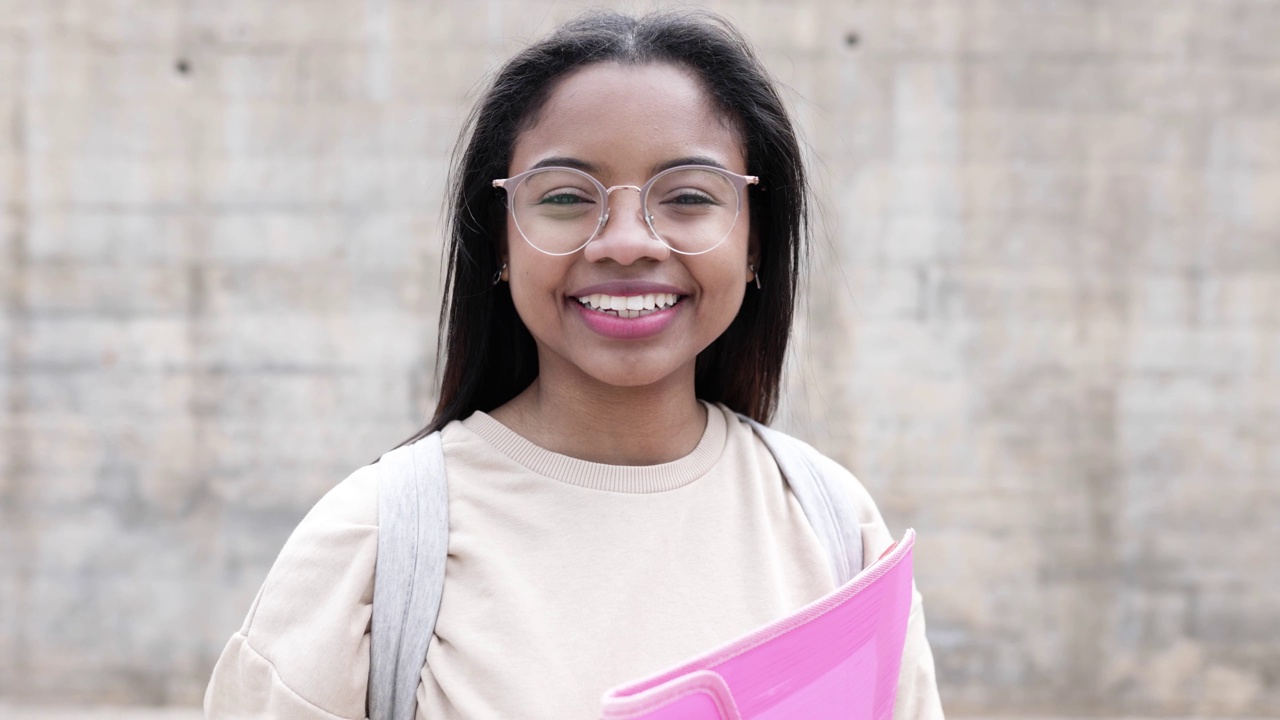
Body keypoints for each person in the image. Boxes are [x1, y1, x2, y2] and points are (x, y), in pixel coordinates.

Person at [205, 8, 944, 719]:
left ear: (754, 243)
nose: (625, 241)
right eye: (564, 197)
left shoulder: (833, 524)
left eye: (687, 196)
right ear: (500, 240)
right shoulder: (371, 545)